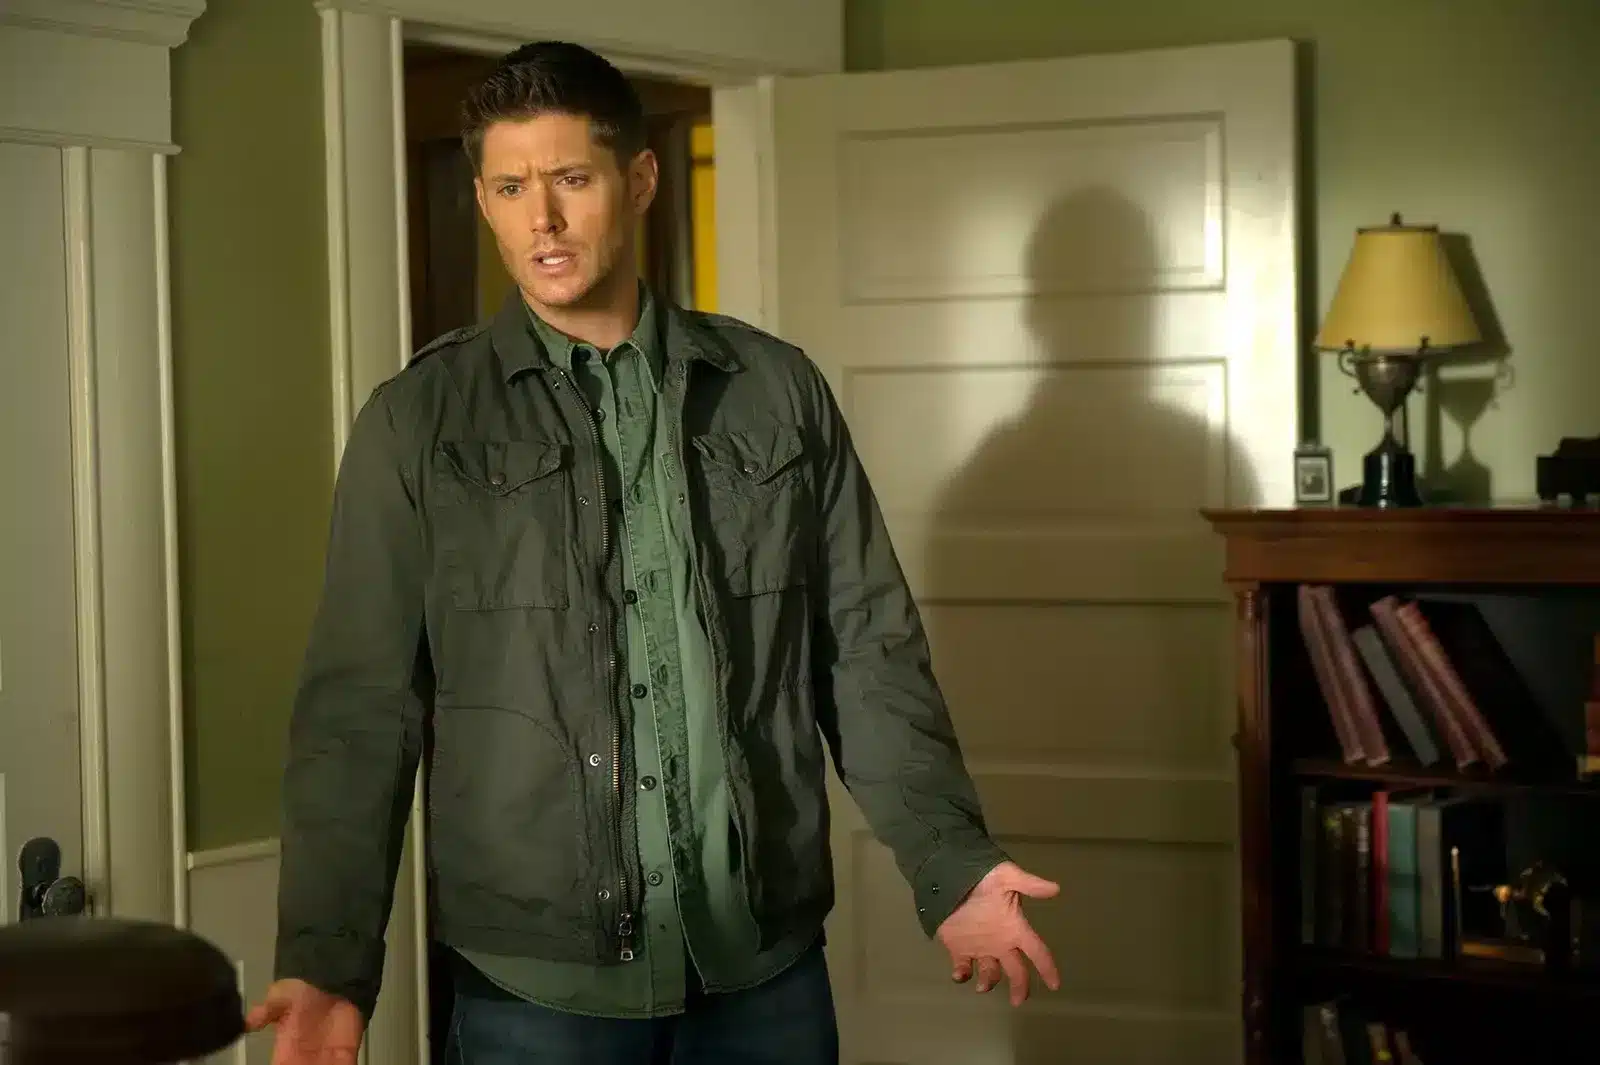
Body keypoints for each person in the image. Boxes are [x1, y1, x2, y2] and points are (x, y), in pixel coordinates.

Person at [246, 40, 1060, 1065]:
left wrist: (951, 864)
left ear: (637, 181)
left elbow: (867, 651)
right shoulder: (418, 423)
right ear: (485, 200)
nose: (541, 220)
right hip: (536, 995)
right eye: (511, 188)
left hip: (763, 975)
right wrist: (329, 962)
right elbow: (358, 711)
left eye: (571, 180)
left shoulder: (775, 390)